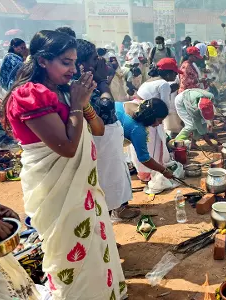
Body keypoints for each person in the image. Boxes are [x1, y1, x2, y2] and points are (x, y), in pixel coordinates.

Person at [2, 30, 126, 299]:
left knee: (93, 243)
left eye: (74, 62)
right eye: (65, 62)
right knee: (70, 249)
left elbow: (99, 128)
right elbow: (68, 148)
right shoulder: (29, 96)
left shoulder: (65, 92)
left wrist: (82, 101)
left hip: (85, 189)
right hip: (57, 188)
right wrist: (78, 105)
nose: (73, 69)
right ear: (43, 61)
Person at [76, 38, 138, 221]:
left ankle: (116, 210)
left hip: (108, 134)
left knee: (116, 174)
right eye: (94, 59)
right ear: (81, 64)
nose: (99, 62)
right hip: (100, 138)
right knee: (106, 179)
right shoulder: (80, 85)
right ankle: (110, 216)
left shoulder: (89, 79)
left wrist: (103, 77)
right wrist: (103, 81)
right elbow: (104, 106)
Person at [132, 58, 182, 181]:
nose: (176, 75)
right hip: (150, 117)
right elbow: (165, 107)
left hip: (138, 112)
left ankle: (143, 172)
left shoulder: (148, 82)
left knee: (141, 145)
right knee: (153, 144)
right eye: (174, 73)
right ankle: (154, 172)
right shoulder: (164, 84)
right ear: (166, 73)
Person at [116, 98, 174, 181]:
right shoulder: (137, 129)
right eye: (159, 120)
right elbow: (144, 158)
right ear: (150, 116)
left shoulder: (138, 107)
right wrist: (164, 171)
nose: (159, 124)